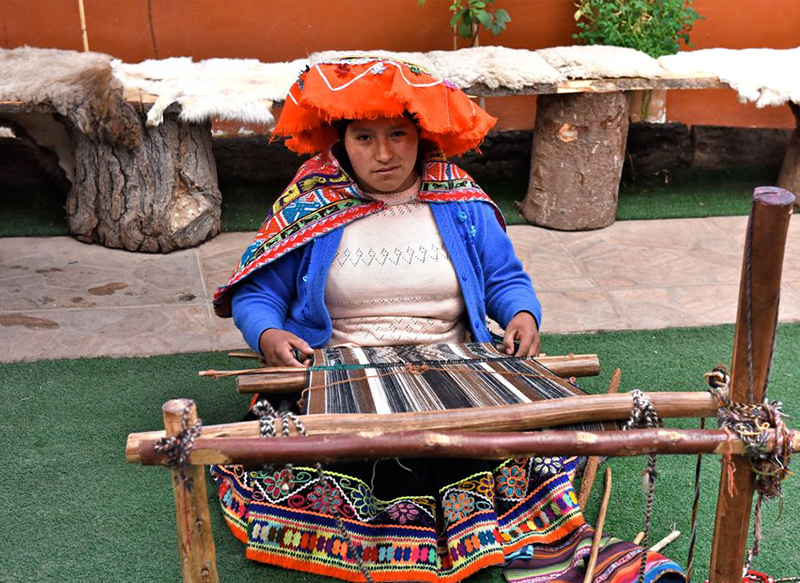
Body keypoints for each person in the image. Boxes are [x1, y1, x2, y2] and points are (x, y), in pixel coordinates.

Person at [211, 56, 684, 583]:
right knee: (361, 459)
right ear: (340, 141)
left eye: (398, 134)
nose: (384, 154)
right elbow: (258, 294)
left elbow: (504, 278)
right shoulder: (311, 205)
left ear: (422, 134)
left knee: (487, 443)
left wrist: (521, 313)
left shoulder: (459, 201)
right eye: (364, 138)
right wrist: (269, 333)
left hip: (454, 365)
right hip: (342, 373)